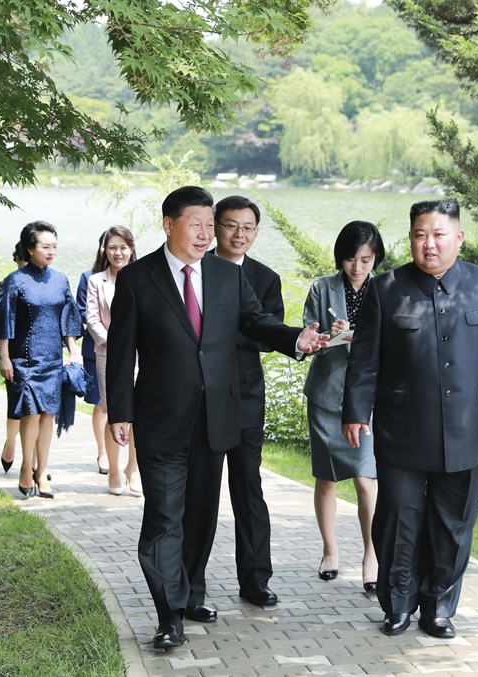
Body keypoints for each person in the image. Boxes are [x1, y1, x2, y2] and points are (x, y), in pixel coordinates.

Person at [106, 185, 329, 651]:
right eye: (197, 224)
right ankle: (169, 616)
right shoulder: (138, 278)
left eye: (211, 225)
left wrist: (295, 339)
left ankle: (189, 595)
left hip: (216, 419)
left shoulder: (227, 275)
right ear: (169, 225)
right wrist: (119, 412)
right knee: (164, 517)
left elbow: (256, 321)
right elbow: (122, 352)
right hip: (161, 418)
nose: (206, 234)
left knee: (200, 518)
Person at [342, 200, 478, 639]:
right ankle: (397, 604)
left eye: (438, 234)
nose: (428, 244)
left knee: (453, 526)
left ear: (459, 237)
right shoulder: (386, 288)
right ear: (411, 238)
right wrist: (355, 411)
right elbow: (364, 359)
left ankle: (437, 608)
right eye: (419, 235)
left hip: (471, 429)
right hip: (402, 429)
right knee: (396, 520)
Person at [209, 195, 282, 607]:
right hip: (200, 397)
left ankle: (256, 580)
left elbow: (268, 336)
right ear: (215, 226)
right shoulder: (195, 270)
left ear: (255, 232)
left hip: (246, 398)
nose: (239, 234)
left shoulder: (266, 279)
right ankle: (191, 586)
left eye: (248, 227)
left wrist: (220, 331)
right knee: (199, 495)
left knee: (249, 490)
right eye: (231, 225)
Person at [303, 221, 383, 593]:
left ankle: (372, 555)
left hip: (368, 398)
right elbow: (308, 341)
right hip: (326, 394)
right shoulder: (322, 288)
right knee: (327, 477)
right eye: (351, 259)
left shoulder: (385, 289)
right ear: (341, 257)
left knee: (367, 479)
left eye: (365, 260)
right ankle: (330, 550)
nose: (357, 267)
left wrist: (361, 336)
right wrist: (329, 336)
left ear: (375, 259)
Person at [0, 221, 81, 499]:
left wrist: (73, 351)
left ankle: (42, 471)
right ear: (30, 248)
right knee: (31, 413)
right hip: (24, 359)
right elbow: (4, 321)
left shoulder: (61, 280)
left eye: (54, 247)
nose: (52, 252)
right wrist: (4, 357)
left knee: (48, 415)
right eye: (45, 247)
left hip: (52, 359)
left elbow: (68, 318)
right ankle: (26, 467)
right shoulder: (15, 281)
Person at [86, 225, 142, 495]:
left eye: (123, 247)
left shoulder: (143, 277)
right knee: (113, 411)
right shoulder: (97, 281)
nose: (118, 253)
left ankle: (134, 469)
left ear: (131, 249)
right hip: (108, 356)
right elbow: (92, 319)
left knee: (140, 413)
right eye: (112, 248)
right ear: (104, 251)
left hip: (142, 356)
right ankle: (114, 471)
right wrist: (116, 342)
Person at [75, 233, 110, 476]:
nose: (114, 252)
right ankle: (103, 452)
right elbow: (82, 312)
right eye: (108, 246)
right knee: (100, 403)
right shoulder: (88, 277)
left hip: (131, 351)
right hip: (97, 349)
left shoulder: (133, 276)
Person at [0, 241, 27, 474]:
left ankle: (34, 462)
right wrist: (4, 357)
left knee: (39, 413)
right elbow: (3, 323)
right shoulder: (8, 284)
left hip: (41, 356)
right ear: (17, 258)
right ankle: (10, 442)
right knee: (16, 405)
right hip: (16, 355)